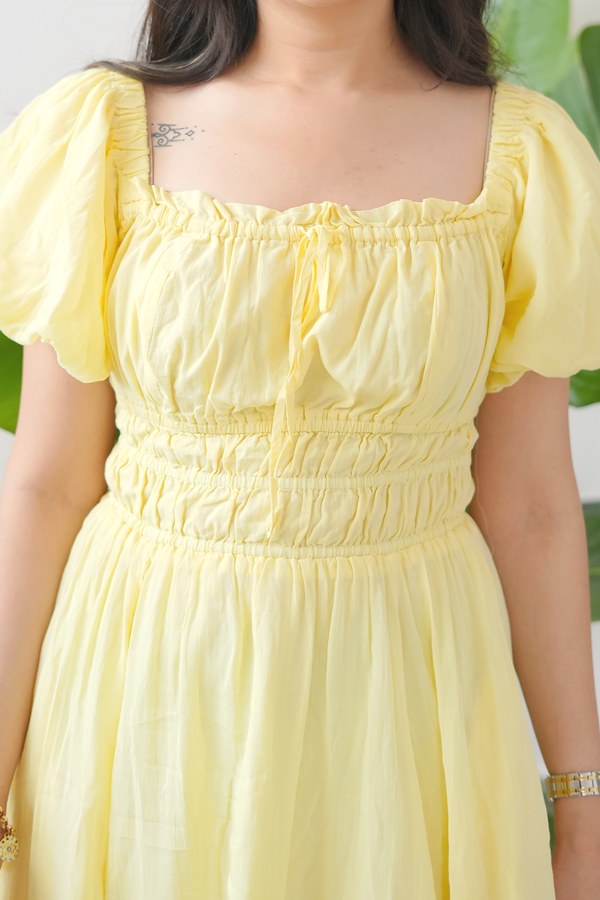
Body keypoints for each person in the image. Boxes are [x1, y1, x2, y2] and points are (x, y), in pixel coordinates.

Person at [1, 0, 600, 896]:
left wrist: (583, 809)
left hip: (406, 697)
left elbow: (534, 510)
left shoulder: (521, 154)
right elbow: (45, 486)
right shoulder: (106, 134)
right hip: (146, 693)